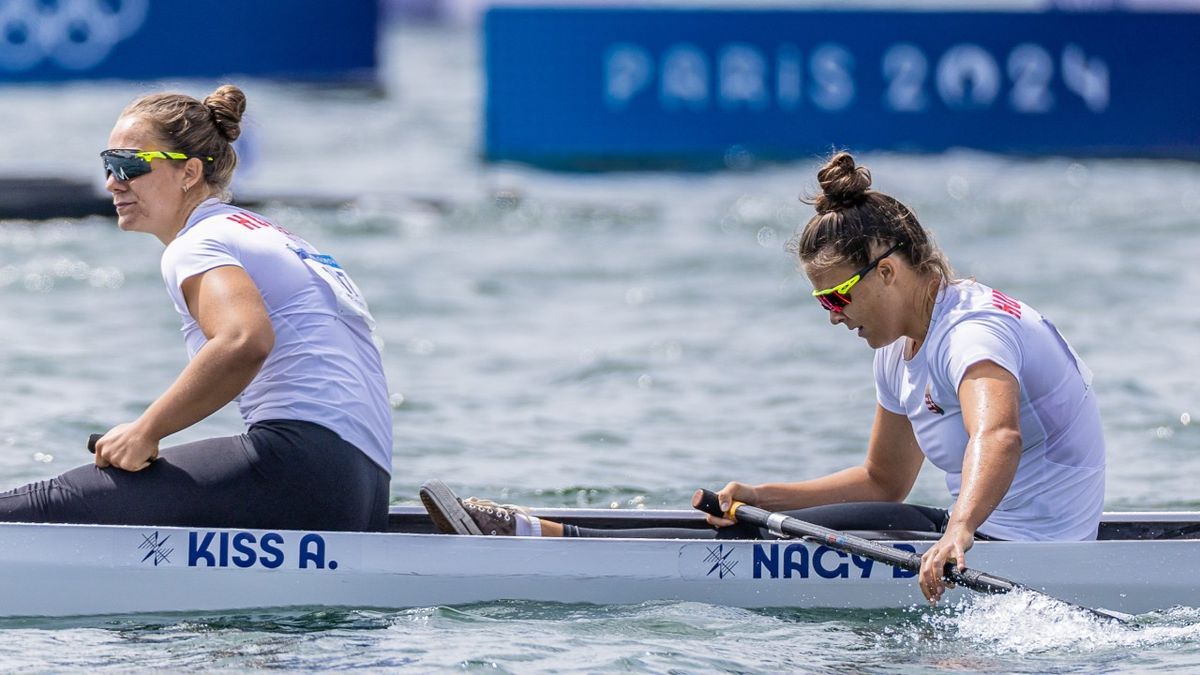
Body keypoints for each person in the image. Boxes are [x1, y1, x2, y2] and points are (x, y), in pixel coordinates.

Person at [419, 151, 1106, 604]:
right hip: (975, 533)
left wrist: (956, 532)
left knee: (769, 541)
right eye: (820, 301)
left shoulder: (969, 328)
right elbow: (881, 482)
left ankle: (549, 543)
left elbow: (1001, 433)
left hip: (1023, 551)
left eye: (838, 296)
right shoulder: (898, 349)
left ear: (889, 272)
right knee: (758, 521)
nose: (832, 316)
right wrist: (761, 492)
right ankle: (556, 537)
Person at [0, 85, 393, 531]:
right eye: (108, 164)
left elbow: (244, 340)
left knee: (50, 504)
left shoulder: (198, 242)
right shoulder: (268, 233)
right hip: (363, 485)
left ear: (189, 173)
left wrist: (146, 431)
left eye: (130, 164)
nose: (113, 182)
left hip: (302, 467)